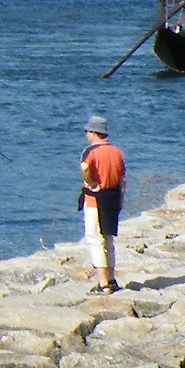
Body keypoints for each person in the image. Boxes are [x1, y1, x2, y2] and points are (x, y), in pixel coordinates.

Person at [79, 114, 125, 292]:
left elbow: (84, 167)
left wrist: (89, 182)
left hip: (96, 199)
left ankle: (103, 283)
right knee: (108, 239)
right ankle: (112, 279)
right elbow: (123, 179)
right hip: (113, 197)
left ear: (93, 133)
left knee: (94, 239)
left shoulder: (90, 151)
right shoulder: (117, 152)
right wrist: (121, 198)